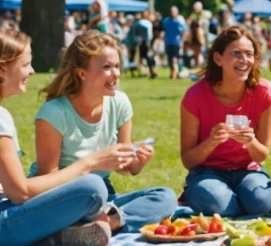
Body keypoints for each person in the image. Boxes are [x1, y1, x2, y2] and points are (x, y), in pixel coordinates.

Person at [0, 26, 137, 246]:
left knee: (102, 189)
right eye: (26, 64)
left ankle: (60, 235)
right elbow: (20, 192)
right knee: (92, 187)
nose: (31, 71)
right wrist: (90, 163)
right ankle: (60, 233)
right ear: (1, 69)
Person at [32, 31, 176, 233]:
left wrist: (137, 162)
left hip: (102, 194)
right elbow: (47, 178)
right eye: (107, 67)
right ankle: (95, 222)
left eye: (117, 66)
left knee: (166, 197)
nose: (116, 74)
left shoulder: (120, 103)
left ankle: (103, 224)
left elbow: (125, 165)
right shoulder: (53, 113)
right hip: (62, 195)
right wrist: (94, 164)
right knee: (92, 185)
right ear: (82, 73)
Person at [180, 26, 271, 216]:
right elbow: (188, 160)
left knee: (267, 200)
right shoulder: (195, 96)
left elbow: (261, 155)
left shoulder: (264, 92)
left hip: (249, 172)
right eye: (236, 53)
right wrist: (211, 142)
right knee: (221, 205)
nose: (244, 60)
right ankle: (232, 201)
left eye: (249, 54)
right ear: (218, 58)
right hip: (207, 172)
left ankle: (243, 202)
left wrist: (251, 141)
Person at [128, 11, 157, 79]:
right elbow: (150, 35)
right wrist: (149, 42)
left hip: (138, 43)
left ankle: (138, 72)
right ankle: (150, 71)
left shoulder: (137, 23)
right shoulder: (148, 23)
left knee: (139, 58)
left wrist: (135, 42)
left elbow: (134, 34)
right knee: (148, 58)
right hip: (146, 43)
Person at [162, 6, 187, 80]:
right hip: (168, 42)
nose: (172, 13)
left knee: (174, 59)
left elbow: (183, 31)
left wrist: (183, 41)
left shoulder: (179, 22)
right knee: (169, 59)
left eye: (174, 11)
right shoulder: (166, 21)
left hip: (176, 43)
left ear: (177, 12)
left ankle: (174, 75)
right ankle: (172, 73)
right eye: (171, 11)